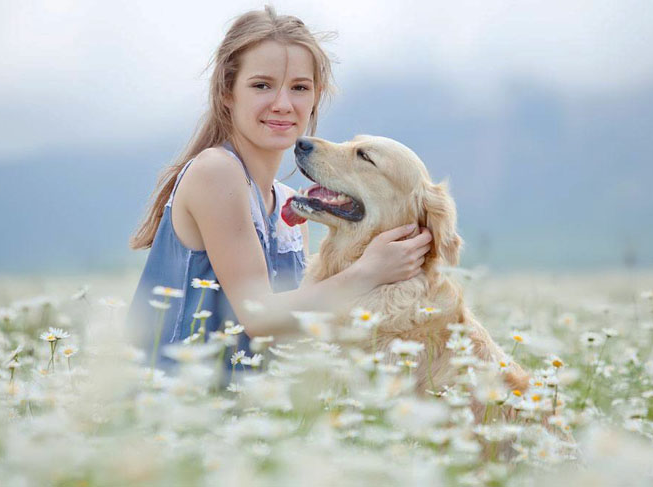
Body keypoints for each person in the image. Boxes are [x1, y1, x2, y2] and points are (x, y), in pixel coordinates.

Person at [126, 6, 432, 373]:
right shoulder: (217, 172)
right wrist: (369, 271)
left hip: (251, 408)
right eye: (261, 85)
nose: (283, 104)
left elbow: (290, 325)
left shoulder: (290, 204)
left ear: (317, 96)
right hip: (178, 404)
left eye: (299, 88)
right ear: (227, 92)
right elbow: (259, 316)